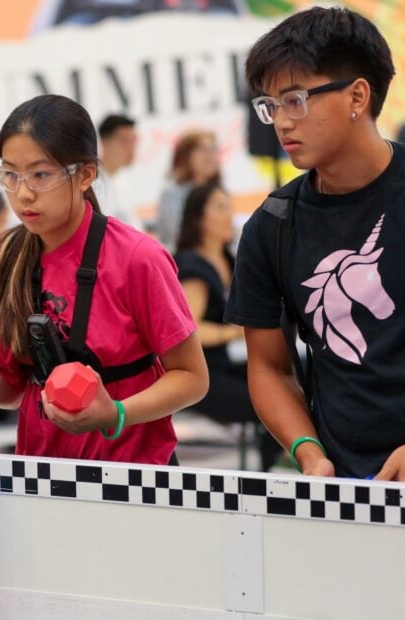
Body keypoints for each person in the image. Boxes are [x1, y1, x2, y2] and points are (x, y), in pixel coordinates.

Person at [0, 94, 208, 464]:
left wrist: (115, 413)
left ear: (85, 174)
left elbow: (192, 377)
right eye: (10, 174)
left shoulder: (136, 258)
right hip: (39, 473)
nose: (23, 193)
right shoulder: (3, 261)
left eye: (41, 174)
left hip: (136, 477)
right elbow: (8, 387)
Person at [224, 6, 404, 480]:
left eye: (296, 100)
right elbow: (268, 367)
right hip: (347, 490)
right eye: (269, 105)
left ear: (357, 96)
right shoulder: (271, 225)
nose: (280, 122)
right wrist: (308, 451)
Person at [174, 182, 281, 470]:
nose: (229, 214)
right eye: (220, 207)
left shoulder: (227, 260)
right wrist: (232, 332)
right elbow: (188, 330)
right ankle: (271, 473)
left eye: (229, 206)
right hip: (198, 373)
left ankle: (278, 462)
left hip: (223, 364)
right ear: (199, 217)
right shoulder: (192, 266)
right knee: (274, 402)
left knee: (293, 378)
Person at [155, 130, 220, 249]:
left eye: (213, 150)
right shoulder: (171, 194)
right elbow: (177, 234)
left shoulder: (218, 192)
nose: (210, 156)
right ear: (186, 156)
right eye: (204, 150)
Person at [94, 114, 140, 229]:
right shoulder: (93, 183)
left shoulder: (122, 180)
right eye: (124, 141)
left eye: (133, 140)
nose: (131, 147)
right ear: (105, 142)